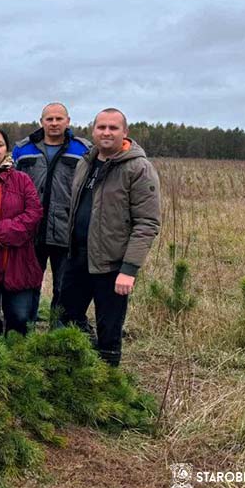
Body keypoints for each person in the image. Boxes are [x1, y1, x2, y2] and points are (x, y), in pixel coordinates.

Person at [60, 108, 161, 367]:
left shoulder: (138, 168)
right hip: (78, 259)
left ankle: (109, 384)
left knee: (109, 330)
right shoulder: (86, 162)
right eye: (101, 127)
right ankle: (73, 373)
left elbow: (147, 223)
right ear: (93, 131)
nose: (106, 132)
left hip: (112, 266)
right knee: (66, 320)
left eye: (113, 128)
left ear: (125, 132)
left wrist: (129, 269)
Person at [12, 103, 91, 322]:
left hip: (66, 231)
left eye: (59, 119)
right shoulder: (23, 149)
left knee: (64, 287)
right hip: (31, 232)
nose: (54, 123)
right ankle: (25, 332)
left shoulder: (83, 150)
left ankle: (56, 336)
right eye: (49, 119)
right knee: (28, 284)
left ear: (68, 121)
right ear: (41, 122)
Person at [0, 129, 44, 336]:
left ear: (7, 149)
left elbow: (34, 213)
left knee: (20, 318)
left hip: (18, 259)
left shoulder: (22, 180)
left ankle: (18, 361)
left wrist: (2, 233)